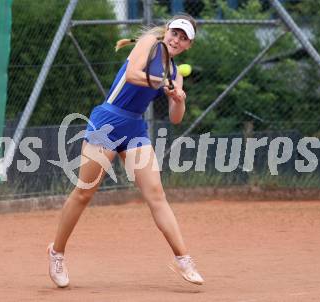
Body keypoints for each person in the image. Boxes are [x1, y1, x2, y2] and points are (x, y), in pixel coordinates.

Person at [47, 13, 204, 287]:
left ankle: (183, 258)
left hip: (134, 128)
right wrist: (160, 81)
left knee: (156, 195)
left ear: (189, 45)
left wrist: (179, 98)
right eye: (175, 33)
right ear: (167, 31)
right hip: (107, 120)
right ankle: (56, 251)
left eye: (184, 38)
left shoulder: (175, 74)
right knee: (84, 192)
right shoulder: (149, 43)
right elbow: (132, 74)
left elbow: (176, 117)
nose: (177, 39)